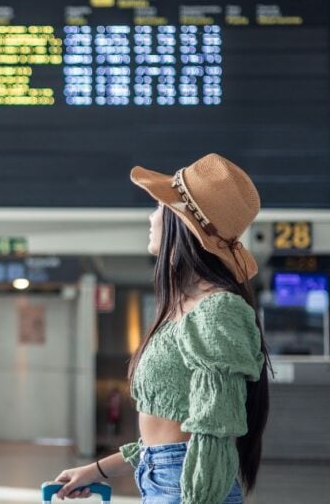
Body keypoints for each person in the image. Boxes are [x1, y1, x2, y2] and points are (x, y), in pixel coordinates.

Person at [53, 153, 272, 503]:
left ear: (182, 225)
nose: (151, 216)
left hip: (189, 487)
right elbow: (165, 438)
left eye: (160, 207)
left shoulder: (217, 310)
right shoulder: (182, 308)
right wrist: (97, 470)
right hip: (166, 477)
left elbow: (211, 432)